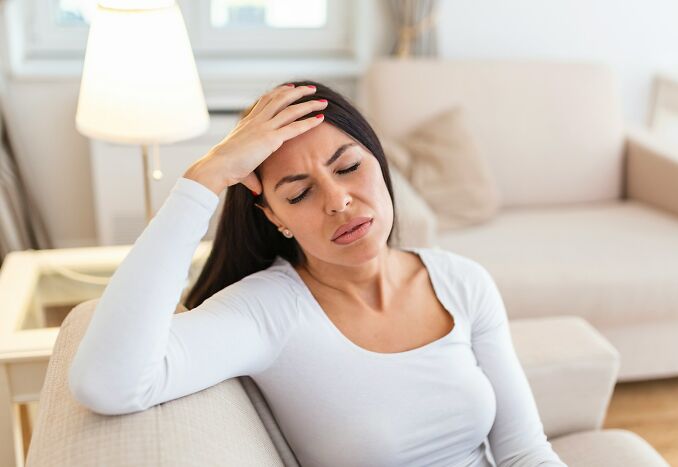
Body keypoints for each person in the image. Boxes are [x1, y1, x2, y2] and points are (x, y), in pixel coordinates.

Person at [69, 81, 567, 467]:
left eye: (348, 166)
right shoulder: (268, 311)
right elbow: (110, 383)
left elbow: (525, 453)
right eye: (299, 193)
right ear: (275, 218)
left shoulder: (462, 281)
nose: (338, 201)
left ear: (379, 159)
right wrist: (207, 177)